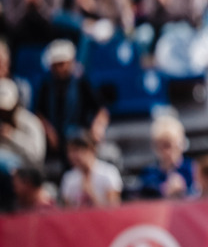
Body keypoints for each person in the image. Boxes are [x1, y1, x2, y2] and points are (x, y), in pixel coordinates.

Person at [35, 39, 107, 170]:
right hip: (57, 135)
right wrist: (49, 131)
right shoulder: (46, 85)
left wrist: (97, 128)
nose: (59, 69)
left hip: (79, 133)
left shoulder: (82, 82)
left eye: (62, 64)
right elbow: (39, 113)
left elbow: (100, 110)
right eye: (56, 65)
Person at [135, 114, 195, 199]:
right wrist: (162, 190)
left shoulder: (192, 169)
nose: (167, 151)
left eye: (169, 145)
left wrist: (184, 190)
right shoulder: (149, 174)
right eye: (161, 146)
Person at [59, 127, 121, 208]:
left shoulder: (109, 173)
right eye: (69, 151)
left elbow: (114, 210)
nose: (71, 156)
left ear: (90, 149)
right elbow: (67, 212)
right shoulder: (68, 178)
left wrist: (91, 194)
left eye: (76, 150)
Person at [0, 76, 45, 172]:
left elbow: (37, 155)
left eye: (6, 110)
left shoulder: (30, 122)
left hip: (27, 172)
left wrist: (12, 136)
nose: (3, 113)